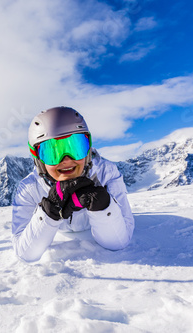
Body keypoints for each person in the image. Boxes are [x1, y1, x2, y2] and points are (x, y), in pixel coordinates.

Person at [12, 106, 134, 263]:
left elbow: (119, 242)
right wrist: (49, 210)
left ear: (88, 149)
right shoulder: (29, 188)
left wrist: (102, 206)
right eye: (52, 152)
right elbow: (25, 253)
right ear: (39, 159)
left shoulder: (106, 173)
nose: (67, 160)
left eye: (76, 147)